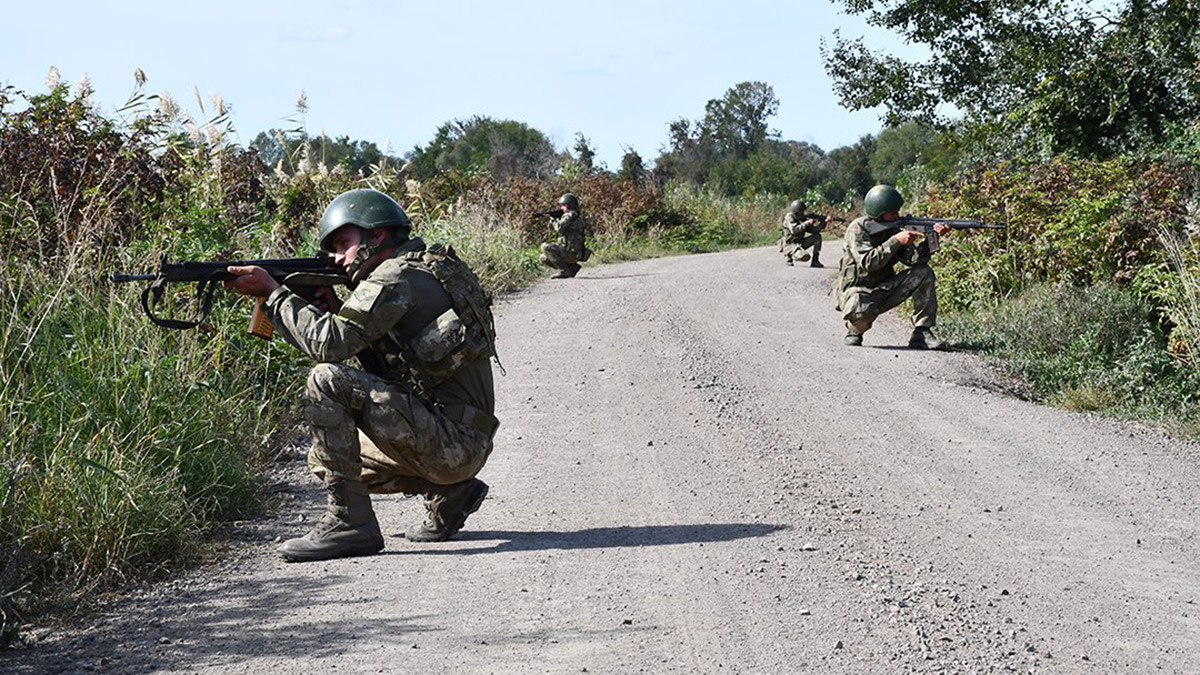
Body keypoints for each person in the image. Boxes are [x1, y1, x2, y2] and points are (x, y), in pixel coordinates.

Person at [224, 188, 499, 562]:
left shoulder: (393, 278)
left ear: (377, 235)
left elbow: (330, 345)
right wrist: (334, 307)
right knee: (322, 457)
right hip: (462, 441)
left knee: (325, 380)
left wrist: (273, 295)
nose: (337, 258)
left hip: (451, 444)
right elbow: (395, 369)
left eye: (343, 244)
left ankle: (349, 525)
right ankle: (452, 492)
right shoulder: (423, 268)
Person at [836, 184, 951, 349]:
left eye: (898, 212)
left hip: (885, 288)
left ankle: (922, 333)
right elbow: (868, 263)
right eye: (892, 213)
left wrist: (930, 240)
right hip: (857, 291)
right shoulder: (859, 228)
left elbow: (914, 261)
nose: (897, 216)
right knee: (860, 307)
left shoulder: (895, 228)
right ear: (878, 213)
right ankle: (855, 330)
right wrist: (896, 240)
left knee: (924, 273)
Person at [538, 193, 588, 279]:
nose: (561, 208)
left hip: (571, 253)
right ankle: (572, 268)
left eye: (563, 205)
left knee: (545, 247)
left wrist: (553, 220)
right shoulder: (576, 216)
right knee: (543, 258)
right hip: (575, 253)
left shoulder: (569, 215)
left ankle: (564, 270)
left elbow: (559, 228)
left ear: (569, 205)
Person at [779, 199, 824, 267]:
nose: (803, 213)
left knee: (817, 237)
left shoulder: (802, 218)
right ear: (796, 212)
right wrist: (807, 223)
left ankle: (815, 261)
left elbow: (814, 230)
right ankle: (790, 256)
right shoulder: (789, 217)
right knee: (805, 256)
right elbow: (794, 230)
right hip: (790, 244)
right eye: (801, 211)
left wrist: (823, 222)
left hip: (800, 242)